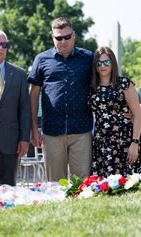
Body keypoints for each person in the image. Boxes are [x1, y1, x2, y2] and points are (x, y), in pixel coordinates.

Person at [28, 17, 93, 181]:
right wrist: (34, 128)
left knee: (83, 183)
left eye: (67, 37)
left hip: (81, 130)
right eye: (59, 38)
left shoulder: (88, 58)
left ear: (74, 35)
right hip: (52, 132)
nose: (63, 41)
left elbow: (103, 86)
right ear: (52, 37)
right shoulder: (41, 59)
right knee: (55, 185)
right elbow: (33, 95)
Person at [0, 29, 30, 186]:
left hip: (11, 140)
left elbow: (24, 108)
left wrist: (25, 138)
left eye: (4, 45)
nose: (1, 48)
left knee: (9, 187)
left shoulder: (19, 74)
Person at [89, 46, 141, 176]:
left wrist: (135, 143)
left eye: (106, 62)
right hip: (101, 141)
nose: (103, 66)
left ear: (113, 63)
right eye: (99, 63)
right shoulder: (92, 87)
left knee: (126, 183)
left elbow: (137, 115)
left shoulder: (124, 84)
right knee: (104, 186)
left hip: (123, 139)